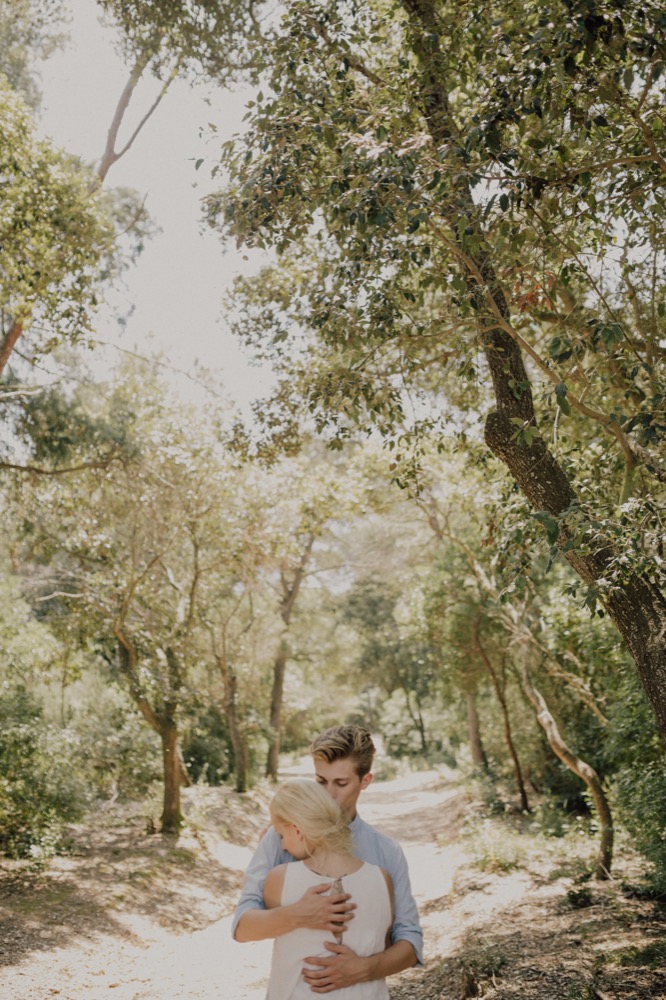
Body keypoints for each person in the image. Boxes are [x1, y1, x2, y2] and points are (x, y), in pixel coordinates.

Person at [233, 725, 423, 993]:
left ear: (365, 781)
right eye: (321, 781)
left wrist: (365, 968)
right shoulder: (280, 837)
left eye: (341, 783)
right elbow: (242, 928)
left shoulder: (386, 851)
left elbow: (410, 942)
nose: (328, 795)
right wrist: (295, 915)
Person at [264, 778, 393, 998]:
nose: (283, 845)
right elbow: (386, 946)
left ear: (297, 829)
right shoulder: (381, 878)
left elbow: (262, 927)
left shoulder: (279, 878)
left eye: (281, 835)